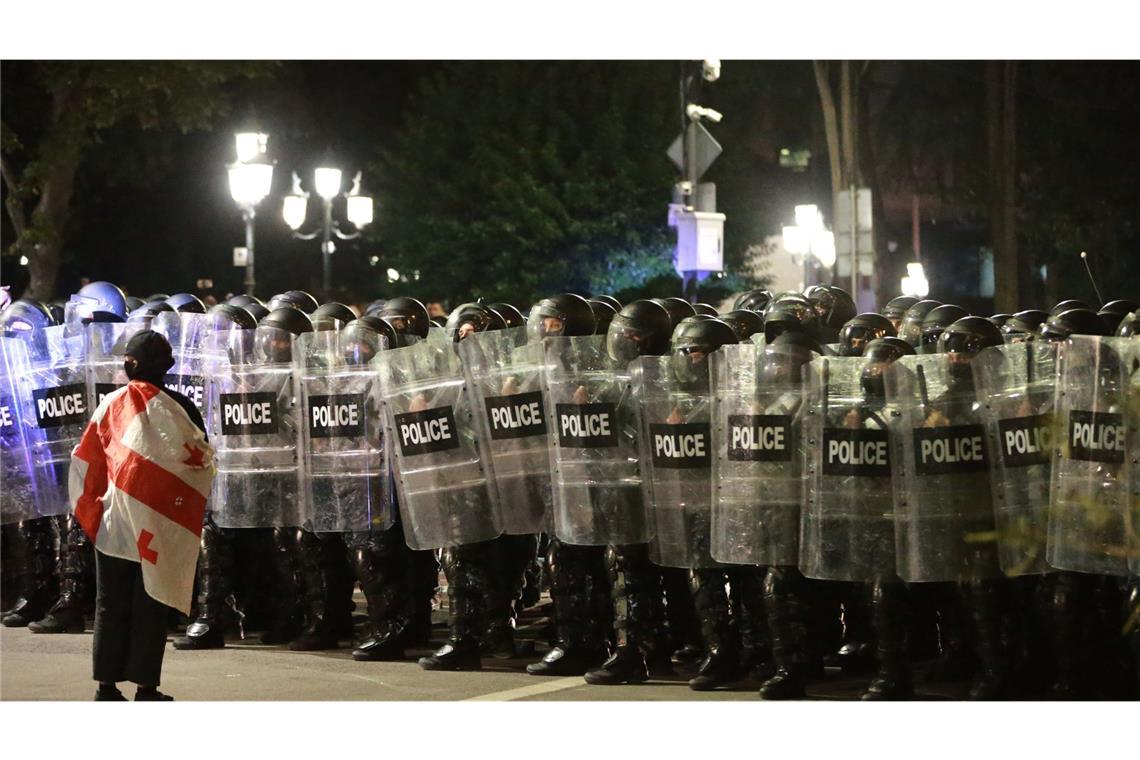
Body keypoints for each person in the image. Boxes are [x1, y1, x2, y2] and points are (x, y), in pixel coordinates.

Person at [73, 330, 214, 701]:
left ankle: (106, 687)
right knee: (152, 602)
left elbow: (88, 460)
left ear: (131, 363)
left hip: (115, 522)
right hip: (160, 525)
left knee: (110, 603)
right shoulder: (181, 408)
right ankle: (146, 687)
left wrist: (93, 507)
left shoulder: (111, 404)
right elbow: (201, 461)